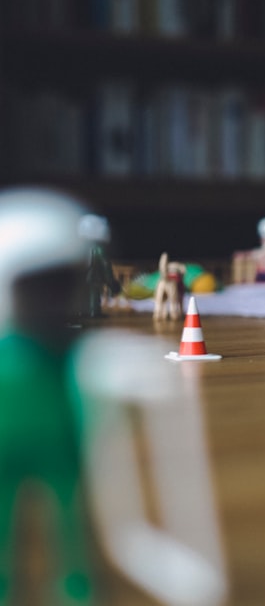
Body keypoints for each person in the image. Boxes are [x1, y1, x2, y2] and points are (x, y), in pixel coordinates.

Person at [0, 188, 94, 604]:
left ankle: (77, 584)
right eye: (36, 288)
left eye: (60, 286)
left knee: (71, 520)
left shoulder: (70, 349)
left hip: (62, 440)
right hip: (9, 446)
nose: (50, 301)